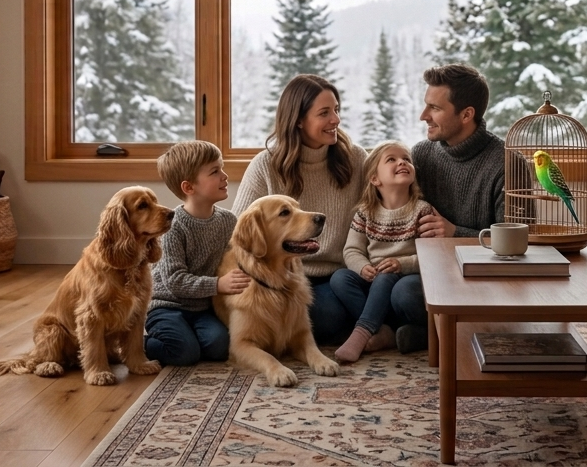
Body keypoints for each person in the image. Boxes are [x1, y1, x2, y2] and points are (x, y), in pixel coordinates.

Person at [232, 74, 367, 346]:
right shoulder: (265, 165)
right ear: (298, 120)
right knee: (320, 316)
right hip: (283, 278)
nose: (336, 120)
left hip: (340, 276)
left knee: (327, 312)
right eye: (325, 113)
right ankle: (372, 329)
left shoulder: (356, 158)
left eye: (337, 110)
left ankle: (370, 329)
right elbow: (237, 232)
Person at [387, 63, 507, 353]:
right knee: (400, 291)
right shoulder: (422, 154)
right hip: (431, 271)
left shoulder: (507, 163)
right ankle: (442, 332)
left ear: (466, 114)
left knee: (409, 295)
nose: (423, 116)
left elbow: (519, 246)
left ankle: (429, 335)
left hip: (484, 277)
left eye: (434, 108)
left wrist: (456, 233)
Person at [145, 140, 251, 366]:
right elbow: (174, 281)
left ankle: (189, 339)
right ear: (189, 187)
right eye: (215, 171)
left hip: (202, 307)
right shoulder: (173, 227)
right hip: (167, 306)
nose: (224, 175)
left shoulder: (227, 221)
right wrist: (218, 285)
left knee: (220, 346)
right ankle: (135, 344)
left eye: (221, 168)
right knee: (184, 353)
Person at [329, 141, 435, 363]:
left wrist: (402, 264)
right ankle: (383, 330)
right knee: (340, 278)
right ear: (375, 179)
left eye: (406, 159)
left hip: (407, 281)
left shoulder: (422, 210)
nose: (402, 162)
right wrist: (362, 267)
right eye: (391, 159)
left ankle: (362, 332)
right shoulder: (365, 213)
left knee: (392, 280)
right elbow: (352, 250)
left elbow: (433, 255)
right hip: (374, 280)